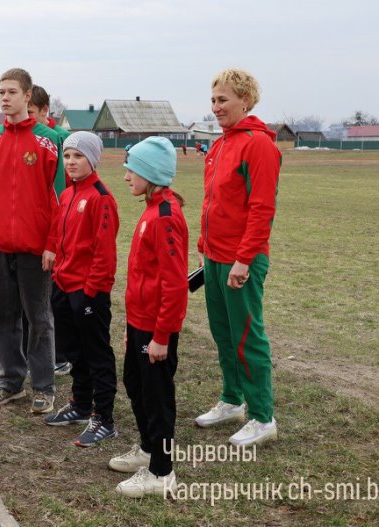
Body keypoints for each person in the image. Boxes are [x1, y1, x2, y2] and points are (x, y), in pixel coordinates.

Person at [194, 68, 281, 447]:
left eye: (223, 99)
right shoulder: (219, 145)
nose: (216, 107)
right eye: (213, 100)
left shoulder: (258, 145)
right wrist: (204, 247)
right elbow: (215, 202)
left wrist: (244, 260)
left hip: (241, 260)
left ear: (245, 99)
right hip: (214, 258)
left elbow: (262, 209)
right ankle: (233, 400)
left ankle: (263, 417)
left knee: (247, 337)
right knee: (223, 334)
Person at [0, 67, 65, 414]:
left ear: (28, 96)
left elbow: (58, 198)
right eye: (1, 92)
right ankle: (10, 381)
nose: (5, 98)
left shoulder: (47, 141)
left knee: (38, 317)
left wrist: (52, 244)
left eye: (11, 92)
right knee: (2, 316)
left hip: (36, 249)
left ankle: (43, 386)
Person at [108, 136, 188, 497]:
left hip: (156, 330)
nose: (126, 175)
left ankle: (161, 471)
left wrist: (161, 336)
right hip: (140, 324)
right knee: (135, 385)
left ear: (150, 173)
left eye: (132, 168)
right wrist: (132, 327)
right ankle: (147, 449)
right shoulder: (151, 209)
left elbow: (173, 285)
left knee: (158, 399)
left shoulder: (167, 217)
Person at [44, 132, 120, 448]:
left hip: (87, 292)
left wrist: (92, 292)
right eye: (67, 156)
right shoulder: (68, 194)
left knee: (96, 355)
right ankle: (80, 404)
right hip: (63, 284)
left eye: (78, 156)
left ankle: (104, 419)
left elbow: (104, 254)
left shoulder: (101, 198)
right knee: (74, 352)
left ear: (92, 159)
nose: (71, 162)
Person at [27, 84, 72, 375]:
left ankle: (61, 355)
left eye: (30, 113)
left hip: (62, 228)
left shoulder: (63, 141)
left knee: (57, 296)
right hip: (36, 230)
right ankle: (30, 351)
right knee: (34, 296)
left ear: (45, 112)